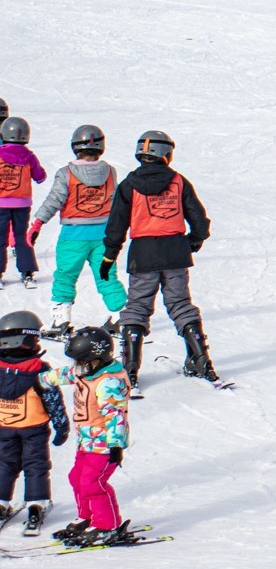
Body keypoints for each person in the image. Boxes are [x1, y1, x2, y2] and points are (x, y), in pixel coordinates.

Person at [101, 131, 213, 385]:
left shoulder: (129, 184)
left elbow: (116, 224)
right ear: (165, 154)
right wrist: (194, 240)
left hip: (143, 254)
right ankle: (200, 359)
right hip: (175, 252)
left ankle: (130, 367)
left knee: (138, 307)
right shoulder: (178, 181)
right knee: (181, 304)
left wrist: (109, 256)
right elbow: (199, 218)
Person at [29, 125, 126, 336]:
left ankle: (60, 321)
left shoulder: (66, 173)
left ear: (75, 147)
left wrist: (38, 223)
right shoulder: (110, 172)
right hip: (103, 235)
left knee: (66, 276)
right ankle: (122, 317)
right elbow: (116, 200)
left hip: (73, 236)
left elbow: (55, 200)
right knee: (107, 275)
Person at [50, 324, 133, 546]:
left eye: (80, 362)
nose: (77, 367)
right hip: (86, 442)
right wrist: (38, 381)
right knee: (76, 478)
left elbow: (116, 415)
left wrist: (116, 445)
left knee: (92, 483)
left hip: (105, 445)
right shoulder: (87, 370)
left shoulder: (108, 383)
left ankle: (108, 526)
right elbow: (65, 374)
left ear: (96, 359)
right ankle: (87, 517)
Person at [0, 311, 68, 536]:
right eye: (35, 338)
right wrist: (62, 426)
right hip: (34, 429)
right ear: (25, 340)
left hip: (4, 428)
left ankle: (1, 500)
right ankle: (36, 504)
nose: (38, 342)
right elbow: (53, 400)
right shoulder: (40, 371)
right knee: (36, 464)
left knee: (4, 463)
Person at [0, 118, 45, 289]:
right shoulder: (29, 156)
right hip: (22, 204)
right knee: (21, 238)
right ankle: (27, 273)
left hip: (1, 204)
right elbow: (40, 177)